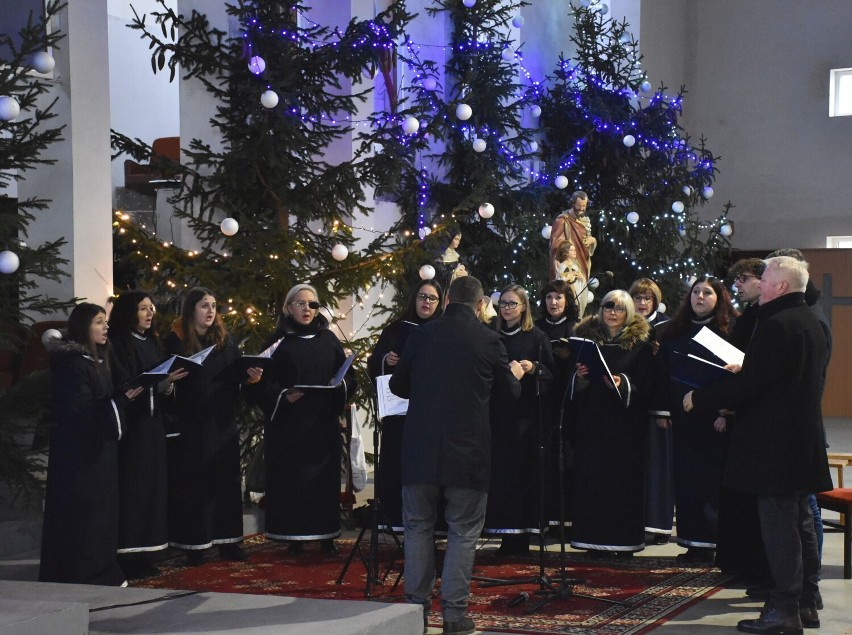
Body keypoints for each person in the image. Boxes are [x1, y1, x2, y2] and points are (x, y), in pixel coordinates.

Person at [684, 256, 832, 633]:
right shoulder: (810, 322)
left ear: (781, 286)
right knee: (798, 523)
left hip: (775, 446)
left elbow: (753, 387)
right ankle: (803, 603)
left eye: (764, 278)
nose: (758, 284)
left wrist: (699, 399)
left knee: (781, 530)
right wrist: (749, 370)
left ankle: (783, 610)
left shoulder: (777, 324)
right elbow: (779, 378)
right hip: (800, 440)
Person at [389, 276, 523, 635]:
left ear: (446, 299)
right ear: (481, 305)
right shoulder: (488, 339)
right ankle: (454, 615)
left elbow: (397, 385)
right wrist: (515, 372)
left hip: (420, 450)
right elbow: (510, 395)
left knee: (417, 527)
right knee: (463, 531)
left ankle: (414, 612)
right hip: (468, 453)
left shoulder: (421, 335)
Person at [248, 284, 357, 554]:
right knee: (293, 484)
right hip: (289, 428)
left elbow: (348, 378)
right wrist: (283, 395)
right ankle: (293, 537)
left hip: (321, 425)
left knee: (322, 482)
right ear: (288, 308)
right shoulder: (277, 342)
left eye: (312, 304)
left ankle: (326, 535)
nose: (307, 309)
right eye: (300, 303)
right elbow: (259, 382)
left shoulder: (329, 339)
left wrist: (338, 387)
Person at [39, 302, 142, 586]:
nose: (105, 326)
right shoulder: (72, 365)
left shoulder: (94, 361)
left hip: (99, 453)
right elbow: (81, 412)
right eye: (98, 321)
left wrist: (123, 396)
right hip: (81, 457)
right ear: (84, 327)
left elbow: (101, 401)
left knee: (101, 515)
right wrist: (122, 399)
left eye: (105, 321)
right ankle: (87, 572)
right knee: (86, 517)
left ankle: (101, 567)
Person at [163, 287, 257, 565]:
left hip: (222, 420)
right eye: (204, 305)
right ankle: (196, 545)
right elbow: (167, 379)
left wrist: (251, 376)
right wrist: (169, 382)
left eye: (214, 305)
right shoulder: (176, 341)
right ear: (191, 309)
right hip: (192, 422)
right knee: (195, 484)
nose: (211, 311)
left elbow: (236, 374)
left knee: (226, 481)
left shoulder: (225, 341)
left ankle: (229, 542)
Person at [652, 276, 736, 564]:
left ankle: (711, 541)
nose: (699, 297)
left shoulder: (727, 331)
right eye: (696, 292)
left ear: (719, 298)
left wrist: (725, 410)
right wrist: (664, 412)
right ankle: (691, 541)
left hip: (714, 420)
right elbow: (662, 374)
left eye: (707, 292)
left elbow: (733, 376)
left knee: (709, 482)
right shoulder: (676, 331)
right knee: (686, 480)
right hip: (682, 417)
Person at [108, 291, 187, 579]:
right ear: (130, 312)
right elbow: (121, 383)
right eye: (143, 309)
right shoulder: (119, 344)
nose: (150, 313)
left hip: (155, 426)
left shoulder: (154, 343)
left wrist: (167, 384)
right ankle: (129, 554)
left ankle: (148, 552)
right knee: (135, 489)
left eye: (151, 308)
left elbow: (162, 382)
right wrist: (155, 384)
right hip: (134, 427)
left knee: (154, 487)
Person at [569, 290, 652, 557]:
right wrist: (579, 377)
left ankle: (623, 542)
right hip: (592, 424)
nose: (612, 312)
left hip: (624, 426)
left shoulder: (641, 345)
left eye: (619, 308)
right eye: (608, 307)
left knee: (621, 483)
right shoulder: (586, 342)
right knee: (592, 481)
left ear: (628, 312)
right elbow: (572, 383)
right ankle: (591, 541)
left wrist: (622, 382)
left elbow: (648, 384)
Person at [367, 281, 444, 533]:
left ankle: (430, 522)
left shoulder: (441, 329)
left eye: (433, 298)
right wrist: (385, 360)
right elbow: (374, 363)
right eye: (422, 296)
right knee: (397, 462)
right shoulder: (396, 329)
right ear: (414, 299)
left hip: (431, 414)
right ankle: (395, 519)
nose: (427, 302)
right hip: (398, 413)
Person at [715, 259, 773, 588]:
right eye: (736, 279)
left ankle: (762, 574)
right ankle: (739, 563)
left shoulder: (768, 319)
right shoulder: (751, 317)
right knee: (737, 498)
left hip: (759, 421)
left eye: (744, 278)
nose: (738, 284)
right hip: (740, 413)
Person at [484, 285, 555, 555]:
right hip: (497, 416)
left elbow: (552, 375)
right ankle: (501, 532)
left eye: (512, 303)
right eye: (503, 303)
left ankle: (522, 536)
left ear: (523, 306)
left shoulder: (536, 338)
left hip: (525, 419)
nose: (506, 308)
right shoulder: (491, 335)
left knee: (523, 476)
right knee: (500, 477)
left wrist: (534, 368)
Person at [628, 278, 674, 547]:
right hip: (633, 406)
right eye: (637, 298)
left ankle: (658, 526)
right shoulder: (625, 324)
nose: (642, 303)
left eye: (647, 299)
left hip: (659, 406)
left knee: (658, 470)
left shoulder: (667, 326)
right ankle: (637, 521)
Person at [535, 279, 579, 529]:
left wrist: (569, 358)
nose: (553, 302)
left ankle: (566, 517)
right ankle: (545, 515)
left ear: (567, 301)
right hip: (543, 400)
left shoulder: (575, 328)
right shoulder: (537, 327)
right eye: (549, 297)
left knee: (566, 455)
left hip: (567, 399)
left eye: (559, 297)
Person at [548, 191, 596, 281]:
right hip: (568, 264)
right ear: (573, 203)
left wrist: (593, 240)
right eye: (579, 205)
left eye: (584, 206)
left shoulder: (585, 221)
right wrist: (557, 259)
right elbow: (555, 245)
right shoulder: (562, 220)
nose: (581, 208)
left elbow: (587, 242)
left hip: (583, 260)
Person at [553, 241, 588, 317]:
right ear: (566, 252)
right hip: (567, 293)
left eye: (575, 250)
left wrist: (582, 278)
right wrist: (566, 278)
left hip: (577, 292)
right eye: (571, 250)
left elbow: (582, 280)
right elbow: (559, 282)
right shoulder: (562, 266)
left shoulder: (576, 266)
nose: (574, 252)